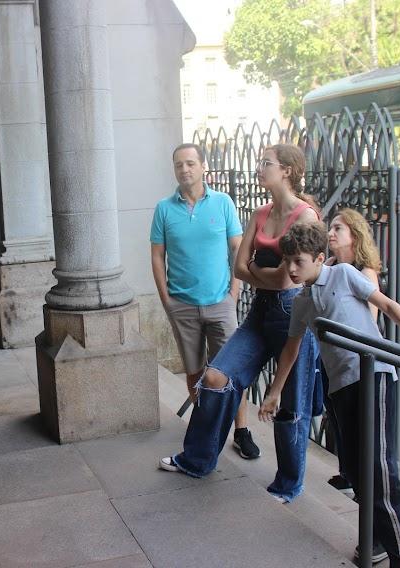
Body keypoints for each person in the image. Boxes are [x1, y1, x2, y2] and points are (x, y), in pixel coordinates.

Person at [260, 221, 400, 568]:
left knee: (379, 467)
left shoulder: (342, 275)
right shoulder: (302, 302)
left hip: (374, 376)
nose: (291, 269)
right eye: (288, 261)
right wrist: (274, 391)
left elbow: (386, 305)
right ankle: (381, 539)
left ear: (320, 258)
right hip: (340, 388)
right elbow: (291, 350)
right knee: (355, 470)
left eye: (299, 261)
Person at [159, 143, 321, 504]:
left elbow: (287, 279)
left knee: (290, 404)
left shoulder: (305, 216)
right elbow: (239, 268)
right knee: (216, 377)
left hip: (293, 314)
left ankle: (287, 485)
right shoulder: (261, 213)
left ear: (287, 171)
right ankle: (197, 459)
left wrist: (259, 273)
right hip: (261, 312)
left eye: (266, 163)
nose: (259, 167)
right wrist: (266, 274)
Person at [150, 143, 259, 460]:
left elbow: (238, 249)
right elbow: (158, 257)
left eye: (190, 163)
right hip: (182, 305)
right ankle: (206, 429)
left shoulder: (223, 203)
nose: (184, 169)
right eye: (178, 165)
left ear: (203, 167)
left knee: (233, 370)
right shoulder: (164, 209)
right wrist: (166, 299)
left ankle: (241, 431)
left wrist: (233, 293)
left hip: (220, 303)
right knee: (195, 372)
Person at [324, 208, 384, 501]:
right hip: (334, 361)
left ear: (354, 237)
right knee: (338, 422)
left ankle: (362, 486)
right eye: (330, 228)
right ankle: (348, 473)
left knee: (361, 432)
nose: (331, 233)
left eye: (338, 229)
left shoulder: (363, 271)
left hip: (357, 365)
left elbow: (368, 324)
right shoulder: (331, 265)